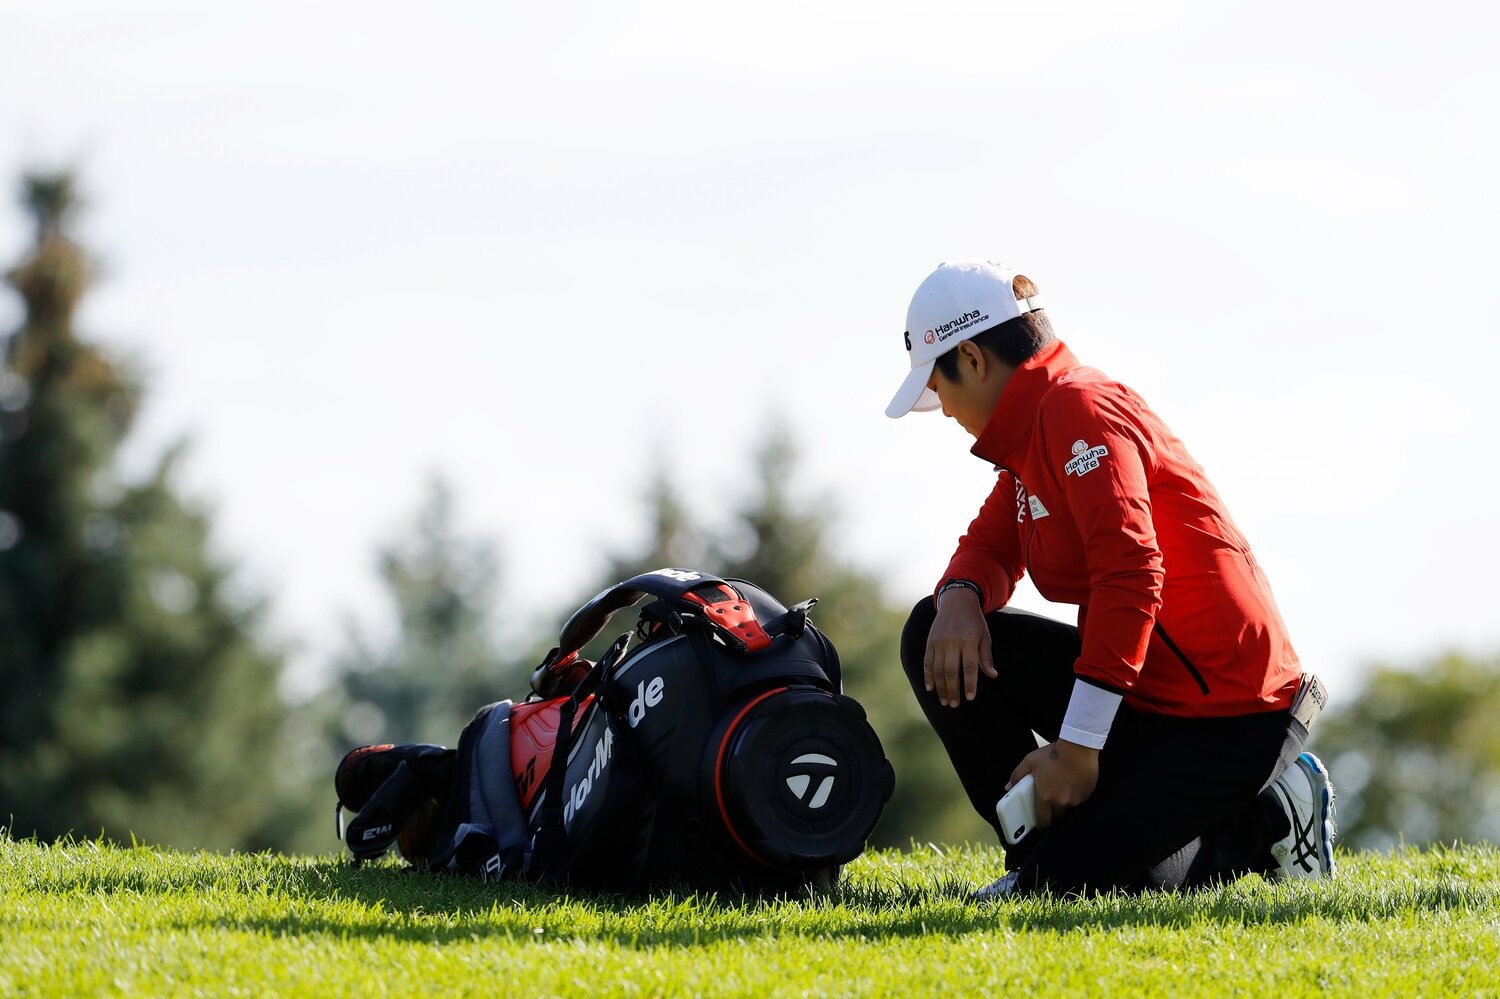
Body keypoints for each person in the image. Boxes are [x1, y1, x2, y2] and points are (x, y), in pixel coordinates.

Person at [883, 260, 1336, 898]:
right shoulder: (1033, 429)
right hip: (1149, 696)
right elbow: (990, 544)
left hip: (1231, 718)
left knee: (1076, 886)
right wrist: (958, 597)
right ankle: (1042, 859)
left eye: (937, 383)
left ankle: (1268, 815)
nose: (943, 408)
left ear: (973, 358)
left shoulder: (1077, 409)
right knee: (933, 628)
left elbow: (1131, 572)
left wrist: (1076, 748)